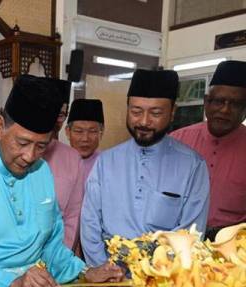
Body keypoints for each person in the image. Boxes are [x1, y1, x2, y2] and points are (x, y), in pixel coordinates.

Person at [0, 75, 123, 287]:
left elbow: (50, 247)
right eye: (22, 143)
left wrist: (86, 272)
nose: (30, 156)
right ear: (0, 128)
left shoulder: (42, 171)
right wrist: (13, 283)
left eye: (41, 146)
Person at [81, 69, 210, 266]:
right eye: (136, 111)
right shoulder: (106, 161)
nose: (143, 121)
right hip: (108, 273)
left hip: (164, 277)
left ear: (172, 112)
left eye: (156, 113)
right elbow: (89, 222)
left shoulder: (193, 165)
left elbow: (191, 234)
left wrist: (157, 275)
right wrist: (101, 269)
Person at [170, 60, 246, 240]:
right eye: (219, 101)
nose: (225, 110)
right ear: (206, 102)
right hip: (178, 238)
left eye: (235, 104)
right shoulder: (176, 141)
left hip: (233, 245)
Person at [41, 78, 84, 250]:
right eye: (50, 111)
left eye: (61, 114)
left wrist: (59, 260)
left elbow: (72, 216)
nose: (54, 119)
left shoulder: (72, 158)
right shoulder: (18, 155)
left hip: (57, 259)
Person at [65, 98, 105, 180]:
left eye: (92, 131)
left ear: (101, 133)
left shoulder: (107, 163)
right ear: (68, 132)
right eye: (79, 131)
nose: (85, 139)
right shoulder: (58, 160)